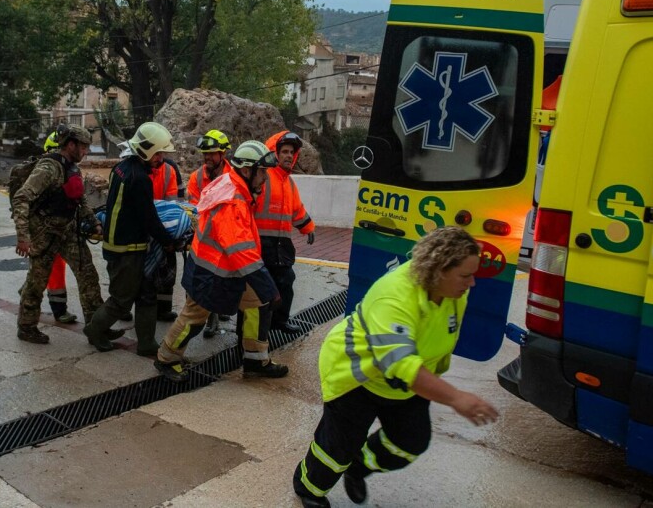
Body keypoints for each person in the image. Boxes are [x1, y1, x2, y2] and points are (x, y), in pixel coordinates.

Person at [292, 226, 498, 507]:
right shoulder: (394, 296)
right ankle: (308, 488)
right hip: (357, 375)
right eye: (465, 275)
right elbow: (401, 363)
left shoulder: (454, 293)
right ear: (438, 269)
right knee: (337, 448)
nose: (471, 283)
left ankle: (359, 467)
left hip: (402, 383)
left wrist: (432, 380)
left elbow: (436, 340)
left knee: (410, 442)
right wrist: (456, 398)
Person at [154, 140, 288, 383]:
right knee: (194, 318)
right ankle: (166, 358)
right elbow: (241, 251)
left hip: (223, 269)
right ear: (246, 171)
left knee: (258, 304)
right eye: (262, 172)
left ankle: (255, 360)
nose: (265, 179)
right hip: (212, 271)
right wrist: (268, 286)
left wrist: (264, 290)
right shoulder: (233, 201)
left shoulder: (232, 184)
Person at [85, 121, 178, 355]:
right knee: (121, 300)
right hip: (126, 250)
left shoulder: (122, 167)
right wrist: (168, 240)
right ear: (146, 150)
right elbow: (149, 218)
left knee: (147, 294)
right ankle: (95, 331)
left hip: (125, 245)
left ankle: (146, 343)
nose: (161, 159)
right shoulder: (140, 178)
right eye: (158, 154)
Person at [11, 125, 108, 344]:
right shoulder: (48, 168)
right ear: (70, 144)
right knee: (37, 282)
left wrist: (93, 222)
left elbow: (79, 198)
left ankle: (97, 328)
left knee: (88, 275)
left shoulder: (73, 167)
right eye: (83, 147)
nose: (86, 152)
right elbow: (21, 198)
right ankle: (26, 327)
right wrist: (23, 237)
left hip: (68, 230)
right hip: (46, 233)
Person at [254, 131, 316, 333]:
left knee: (286, 283)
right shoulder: (263, 177)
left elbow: (297, 210)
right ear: (275, 153)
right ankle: (255, 332)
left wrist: (308, 228)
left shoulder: (289, 182)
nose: (289, 156)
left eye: (292, 152)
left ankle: (279, 322)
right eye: (285, 152)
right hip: (261, 245)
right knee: (259, 292)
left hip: (282, 246)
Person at [186, 129, 234, 336]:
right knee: (204, 280)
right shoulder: (196, 178)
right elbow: (193, 209)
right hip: (204, 238)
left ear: (223, 154)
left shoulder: (234, 177)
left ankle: (220, 310)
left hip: (227, 237)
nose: (207, 157)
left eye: (212, 153)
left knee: (224, 280)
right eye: (205, 153)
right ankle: (210, 320)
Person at [40, 130, 76, 324]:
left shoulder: (69, 170)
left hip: (62, 228)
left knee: (47, 269)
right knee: (50, 269)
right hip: (45, 230)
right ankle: (58, 310)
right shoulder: (43, 172)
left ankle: (29, 292)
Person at [149, 154, 184, 322]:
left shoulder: (169, 170)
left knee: (167, 271)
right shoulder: (140, 168)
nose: (159, 157)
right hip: (146, 225)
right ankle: (134, 307)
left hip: (164, 225)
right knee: (143, 273)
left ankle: (163, 309)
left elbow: (173, 203)